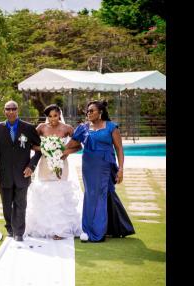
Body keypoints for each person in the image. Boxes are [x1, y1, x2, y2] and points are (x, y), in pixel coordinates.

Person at [64, 100, 135, 242]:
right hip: (88, 166)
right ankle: (115, 227)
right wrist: (58, 151)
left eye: (92, 111)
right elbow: (71, 145)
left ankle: (97, 232)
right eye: (87, 111)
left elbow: (119, 149)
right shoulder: (83, 128)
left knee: (100, 195)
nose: (88, 113)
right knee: (92, 195)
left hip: (105, 166)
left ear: (100, 112)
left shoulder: (111, 127)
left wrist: (121, 169)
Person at [25, 104, 83, 240]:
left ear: (59, 114)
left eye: (55, 116)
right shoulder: (41, 128)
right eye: (50, 116)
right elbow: (31, 144)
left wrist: (65, 152)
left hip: (61, 164)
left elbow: (78, 145)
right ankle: (43, 227)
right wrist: (44, 148)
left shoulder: (67, 128)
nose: (53, 119)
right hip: (45, 164)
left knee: (59, 194)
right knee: (45, 193)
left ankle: (60, 230)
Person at [0, 100, 42, 241]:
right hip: (4, 174)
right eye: (8, 109)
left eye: (13, 109)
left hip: (22, 174)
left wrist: (31, 166)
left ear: (17, 110)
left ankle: (19, 232)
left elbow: (39, 150)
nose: (11, 111)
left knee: (21, 204)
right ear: (4, 111)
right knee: (7, 205)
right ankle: (10, 229)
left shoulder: (29, 128)